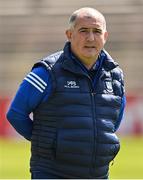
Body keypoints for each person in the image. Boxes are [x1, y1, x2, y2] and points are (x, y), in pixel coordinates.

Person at [7, 7, 126, 179]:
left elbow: (113, 121)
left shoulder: (115, 75)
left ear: (105, 37)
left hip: (98, 174)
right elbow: (16, 113)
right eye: (83, 31)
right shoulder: (47, 71)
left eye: (97, 31)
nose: (91, 38)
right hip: (53, 173)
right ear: (69, 35)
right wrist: (47, 142)